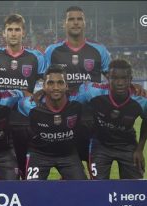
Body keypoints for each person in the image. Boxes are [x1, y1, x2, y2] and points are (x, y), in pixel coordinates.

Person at [44, 6, 111, 170]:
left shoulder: (99, 50)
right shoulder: (52, 51)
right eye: (71, 19)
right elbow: (45, 82)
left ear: (85, 22)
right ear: (64, 24)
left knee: (94, 168)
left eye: (79, 19)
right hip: (64, 119)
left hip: (93, 119)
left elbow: (113, 81)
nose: (75, 23)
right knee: (66, 167)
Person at [0, 14, 46, 179]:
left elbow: (46, 85)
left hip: (26, 123)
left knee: (26, 173)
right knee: (3, 173)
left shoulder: (36, 57)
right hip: (1, 123)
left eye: (17, 29)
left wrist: (35, 94)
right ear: (4, 33)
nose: (13, 33)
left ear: (23, 32)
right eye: (9, 30)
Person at [77, 59, 147, 179]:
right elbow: (73, 100)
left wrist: (139, 149)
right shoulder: (94, 92)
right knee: (98, 188)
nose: (120, 83)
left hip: (127, 146)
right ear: (108, 78)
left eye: (124, 78)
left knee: (133, 190)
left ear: (130, 79)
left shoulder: (141, 100)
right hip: (100, 145)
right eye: (115, 78)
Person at [18, 64, 87, 180]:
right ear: (43, 86)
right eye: (50, 83)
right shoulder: (29, 105)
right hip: (39, 154)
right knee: (31, 191)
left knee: (81, 189)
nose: (55, 87)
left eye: (60, 83)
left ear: (66, 86)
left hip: (68, 154)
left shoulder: (77, 103)